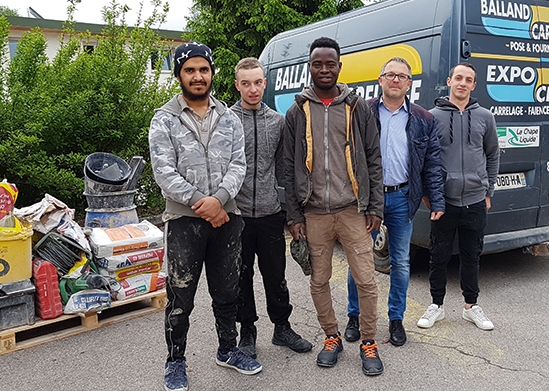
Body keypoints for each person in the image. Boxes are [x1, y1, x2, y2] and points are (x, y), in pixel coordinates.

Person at [149, 41, 261, 391]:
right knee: (181, 295)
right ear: (180, 75)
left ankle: (227, 349)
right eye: (190, 70)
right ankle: (176, 361)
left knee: (228, 291)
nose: (197, 77)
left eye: (203, 69)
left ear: (212, 73)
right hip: (185, 222)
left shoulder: (228, 117)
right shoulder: (164, 119)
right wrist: (203, 202)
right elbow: (163, 171)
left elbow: (239, 164)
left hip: (228, 219)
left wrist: (221, 200)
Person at [283, 37, 385, 376]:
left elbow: (373, 158)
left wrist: (375, 207)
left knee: (367, 280)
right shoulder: (297, 111)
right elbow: (288, 166)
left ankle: (368, 342)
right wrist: (294, 215)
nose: (324, 69)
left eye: (330, 63)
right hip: (313, 213)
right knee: (319, 280)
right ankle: (332, 337)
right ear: (309, 67)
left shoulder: (358, 108)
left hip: (353, 210)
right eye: (317, 64)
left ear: (339, 67)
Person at [345, 57, 445, 346]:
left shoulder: (423, 119)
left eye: (402, 76)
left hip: (403, 197)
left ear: (409, 83)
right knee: (360, 260)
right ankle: (355, 316)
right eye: (390, 75)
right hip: (368, 198)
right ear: (380, 80)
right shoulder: (361, 112)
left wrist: (436, 199)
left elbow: (432, 163)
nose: (396, 80)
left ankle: (396, 319)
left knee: (400, 262)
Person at [231, 57, 312, 359]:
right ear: (237, 84)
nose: (252, 89)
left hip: (269, 214)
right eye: (246, 83)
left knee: (276, 275)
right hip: (235, 216)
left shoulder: (277, 122)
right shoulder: (227, 120)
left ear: (265, 83)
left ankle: (282, 327)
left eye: (257, 82)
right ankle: (247, 331)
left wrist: (294, 214)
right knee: (241, 277)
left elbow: (284, 172)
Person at [417, 62, 500, 332]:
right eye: (458, 78)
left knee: (471, 255)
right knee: (438, 256)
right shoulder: (431, 117)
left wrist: (488, 190)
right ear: (449, 81)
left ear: (474, 86)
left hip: (475, 199)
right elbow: (425, 160)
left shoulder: (485, 117)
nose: (463, 83)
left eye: (469, 80)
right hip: (444, 201)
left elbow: (492, 154)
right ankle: (436, 306)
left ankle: (471, 307)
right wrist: (430, 193)